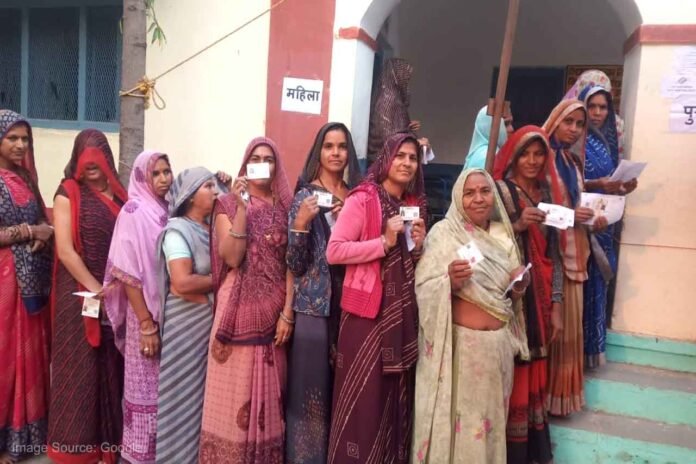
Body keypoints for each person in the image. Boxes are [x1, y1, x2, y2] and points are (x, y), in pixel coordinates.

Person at [412, 168, 529, 463]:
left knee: (489, 429)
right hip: (462, 354)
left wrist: (518, 288)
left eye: (485, 191)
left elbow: (507, 297)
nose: (479, 198)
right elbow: (424, 288)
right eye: (469, 192)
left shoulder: (504, 237)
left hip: (497, 354)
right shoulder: (443, 234)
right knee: (462, 430)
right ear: (457, 197)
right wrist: (448, 281)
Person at [326, 132, 427, 464]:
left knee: (389, 398)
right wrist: (382, 242)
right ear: (386, 159)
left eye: (413, 158)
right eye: (400, 156)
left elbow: (407, 265)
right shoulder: (364, 199)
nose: (407, 163)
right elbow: (335, 251)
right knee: (363, 402)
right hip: (366, 318)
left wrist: (417, 245)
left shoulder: (409, 207)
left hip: (397, 318)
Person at [198, 137, 293, 464]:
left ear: (276, 166)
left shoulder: (285, 209)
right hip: (235, 312)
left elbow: (292, 264)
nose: (263, 164)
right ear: (245, 163)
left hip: (275, 311)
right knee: (234, 394)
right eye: (256, 158)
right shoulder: (226, 204)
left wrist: (288, 313)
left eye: (269, 158)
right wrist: (241, 208)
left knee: (272, 391)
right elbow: (233, 258)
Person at [48, 130, 127, 464]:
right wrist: (97, 289)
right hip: (79, 294)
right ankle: (74, 449)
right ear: (76, 158)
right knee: (78, 369)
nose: (91, 163)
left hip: (118, 295)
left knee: (111, 367)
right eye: (85, 156)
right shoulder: (68, 192)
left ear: (107, 158)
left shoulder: (121, 196)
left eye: (97, 156)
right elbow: (65, 251)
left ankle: (108, 445)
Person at [285, 123, 361, 464]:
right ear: (319, 151)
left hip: (351, 307)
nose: (335, 153)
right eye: (328, 146)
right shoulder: (305, 197)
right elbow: (294, 264)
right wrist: (301, 224)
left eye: (342, 146)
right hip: (313, 308)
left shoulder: (358, 197)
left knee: (342, 391)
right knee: (309, 394)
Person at [493, 126, 563, 464]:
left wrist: (559, 303)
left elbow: (556, 252)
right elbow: (484, 238)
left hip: (542, 294)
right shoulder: (501, 193)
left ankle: (531, 448)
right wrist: (518, 224)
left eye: (539, 154)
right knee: (516, 363)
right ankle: (509, 448)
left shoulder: (548, 193)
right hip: (514, 296)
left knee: (536, 362)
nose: (533, 161)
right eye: (526, 154)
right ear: (513, 157)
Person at [104, 150, 173, 463]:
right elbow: (128, 275)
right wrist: (146, 324)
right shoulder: (133, 212)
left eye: (166, 172)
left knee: (166, 392)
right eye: (155, 174)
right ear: (142, 178)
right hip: (144, 316)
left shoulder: (170, 209)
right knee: (144, 392)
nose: (162, 179)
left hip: (170, 315)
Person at [542, 100, 603, 416]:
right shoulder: (540, 158)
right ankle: (545, 400)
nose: (575, 129)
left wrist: (593, 217)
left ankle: (561, 399)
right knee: (556, 330)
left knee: (570, 329)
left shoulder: (571, 162)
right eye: (570, 122)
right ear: (555, 121)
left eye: (580, 125)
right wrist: (570, 214)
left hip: (576, 254)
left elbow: (578, 206)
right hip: (550, 258)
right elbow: (529, 205)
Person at [155, 167, 220, 463]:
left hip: (206, 324)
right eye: (208, 186)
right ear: (191, 196)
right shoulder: (177, 230)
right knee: (181, 399)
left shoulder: (212, 229)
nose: (215, 191)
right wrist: (224, 278)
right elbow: (182, 283)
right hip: (185, 328)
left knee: (202, 402)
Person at [0, 110, 52, 464]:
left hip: (29, 283)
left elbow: (43, 223)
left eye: (25, 139)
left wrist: (44, 232)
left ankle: (23, 439)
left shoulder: (27, 179)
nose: (20, 145)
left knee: (30, 356)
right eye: (12, 138)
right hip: (3, 284)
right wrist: (31, 232)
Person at [580, 86, 637, 368]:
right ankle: (576, 354)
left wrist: (623, 186)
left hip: (604, 225)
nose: (598, 113)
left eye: (603, 107)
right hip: (580, 227)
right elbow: (566, 181)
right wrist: (598, 184)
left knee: (598, 289)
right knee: (582, 289)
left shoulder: (607, 142)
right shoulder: (575, 138)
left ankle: (593, 351)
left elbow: (611, 180)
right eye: (592, 107)